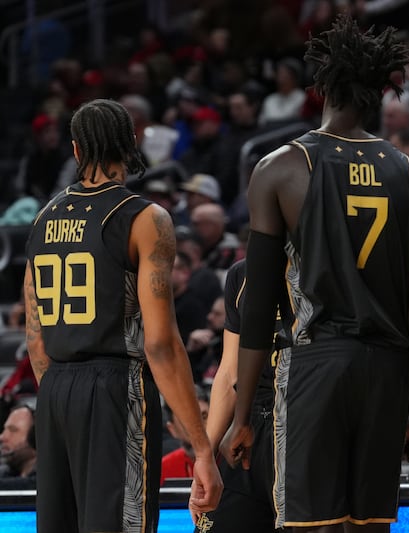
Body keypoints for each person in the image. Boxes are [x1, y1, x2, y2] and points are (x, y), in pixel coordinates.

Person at [220, 15, 409, 532]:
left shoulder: (280, 167)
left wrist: (242, 413)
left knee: (310, 525)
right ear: (378, 94)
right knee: (371, 525)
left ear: (320, 89)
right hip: (387, 369)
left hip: (317, 363)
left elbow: (261, 303)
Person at [23, 98, 222, 533]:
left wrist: (63, 393)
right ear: (131, 144)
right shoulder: (145, 217)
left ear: (76, 150)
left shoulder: (42, 218)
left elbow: (34, 336)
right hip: (116, 387)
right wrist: (202, 447)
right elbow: (160, 342)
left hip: (54, 389)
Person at [194, 259, 291, 533]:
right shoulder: (241, 273)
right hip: (248, 430)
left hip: (301, 423)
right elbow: (227, 373)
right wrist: (206, 456)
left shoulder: (327, 264)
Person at [161, 386, 210, 484]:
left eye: (204, 416)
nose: (198, 426)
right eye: (187, 419)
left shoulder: (232, 461)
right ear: (172, 429)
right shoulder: (163, 469)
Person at [0, 404, 37, 480]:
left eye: (13, 430)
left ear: (35, 438)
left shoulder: (49, 481)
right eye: (5, 429)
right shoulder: (4, 473)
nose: (2, 437)